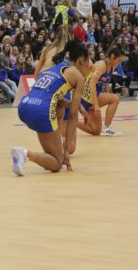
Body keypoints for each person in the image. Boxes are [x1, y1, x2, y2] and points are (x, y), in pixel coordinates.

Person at [11, 40, 93, 176]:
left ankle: (45, 157)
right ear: (81, 59)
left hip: (25, 106)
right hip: (41, 111)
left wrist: (76, 106)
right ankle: (25, 154)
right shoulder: (78, 76)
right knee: (57, 163)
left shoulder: (55, 66)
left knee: (59, 109)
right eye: (87, 63)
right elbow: (72, 117)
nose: (88, 67)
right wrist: (67, 151)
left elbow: (51, 95)